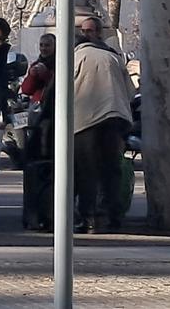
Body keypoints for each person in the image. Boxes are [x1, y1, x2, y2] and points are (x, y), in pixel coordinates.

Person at [73, 21, 134, 234]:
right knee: (111, 169)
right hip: (114, 117)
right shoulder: (113, 57)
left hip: (85, 121)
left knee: (86, 170)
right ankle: (112, 216)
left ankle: (88, 216)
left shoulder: (75, 56)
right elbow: (130, 91)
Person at [20, 33, 56, 104]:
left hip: (53, 104)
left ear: (55, 46)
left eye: (47, 45)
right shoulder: (35, 64)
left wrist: (46, 74)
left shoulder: (61, 64)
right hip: (38, 106)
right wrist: (32, 76)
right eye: (41, 45)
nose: (43, 48)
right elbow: (26, 90)